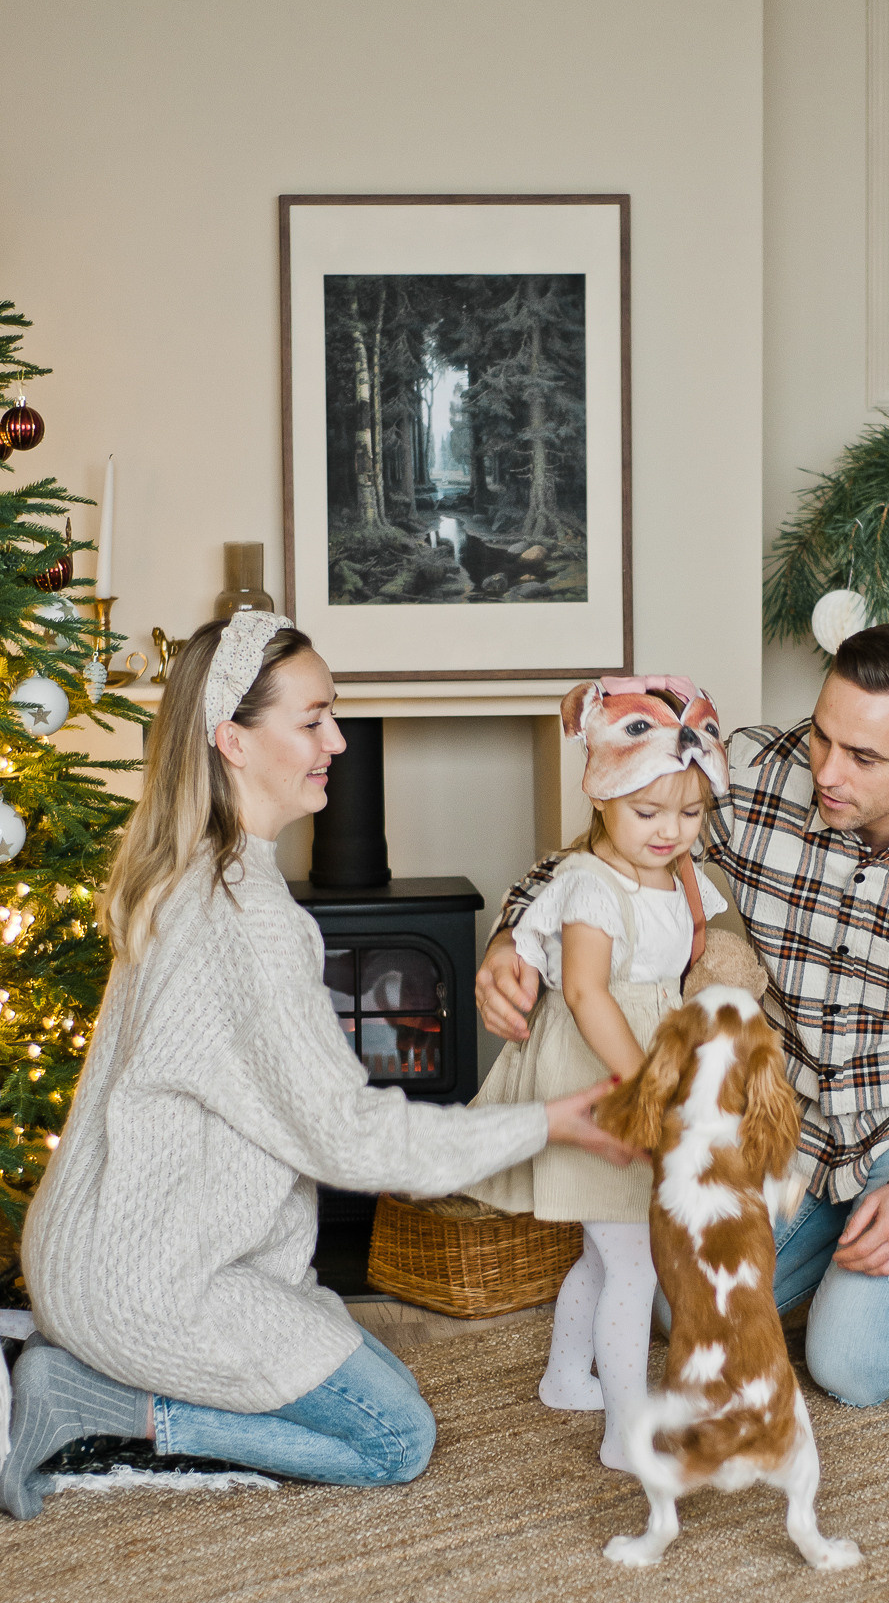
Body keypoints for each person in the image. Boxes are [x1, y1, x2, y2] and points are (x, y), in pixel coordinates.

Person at [1, 613, 633, 1520]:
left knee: (345, 1354)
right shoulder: (246, 922)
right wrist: (551, 1121)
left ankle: (67, 1352)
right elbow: (353, 1139)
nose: (338, 740)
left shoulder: (189, 871)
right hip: (149, 1283)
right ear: (234, 742)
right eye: (314, 720)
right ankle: (94, 1402)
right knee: (392, 1439)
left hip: (96, 1251)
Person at [476, 626, 889, 1408]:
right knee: (669, 1310)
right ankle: (859, 1232)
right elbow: (601, 855)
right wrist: (508, 939)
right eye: (824, 735)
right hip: (792, 1128)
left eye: (864, 758)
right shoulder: (752, 775)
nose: (827, 772)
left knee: (850, 1369)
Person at [461, 675, 729, 1471]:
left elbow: (690, 966)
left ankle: (565, 1375)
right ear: (602, 795)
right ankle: (624, 1429)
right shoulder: (588, 884)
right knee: (634, 1261)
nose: (668, 831)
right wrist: (649, 1089)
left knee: (608, 1251)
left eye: (689, 814)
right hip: (606, 1076)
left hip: (646, 1058)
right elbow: (583, 992)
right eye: (648, 812)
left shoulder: (677, 876)